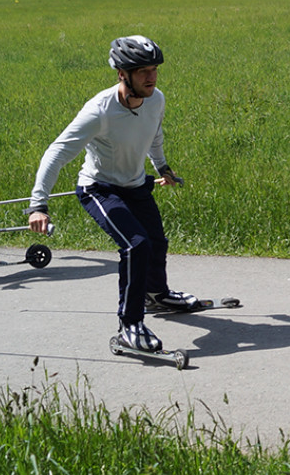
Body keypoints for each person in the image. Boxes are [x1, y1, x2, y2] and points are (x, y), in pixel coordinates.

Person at [27, 35, 197, 352]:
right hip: (99, 188)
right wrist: (39, 204)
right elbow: (56, 153)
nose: (151, 77)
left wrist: (162, 167)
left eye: (154, 69)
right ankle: (129, 325)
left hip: (135, 185)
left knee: (156, 242)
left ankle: (156, 295)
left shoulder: (155, 99)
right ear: (122, 74)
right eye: (142, 71)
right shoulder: (100, 111)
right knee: (136, 245)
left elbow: (154, 135)